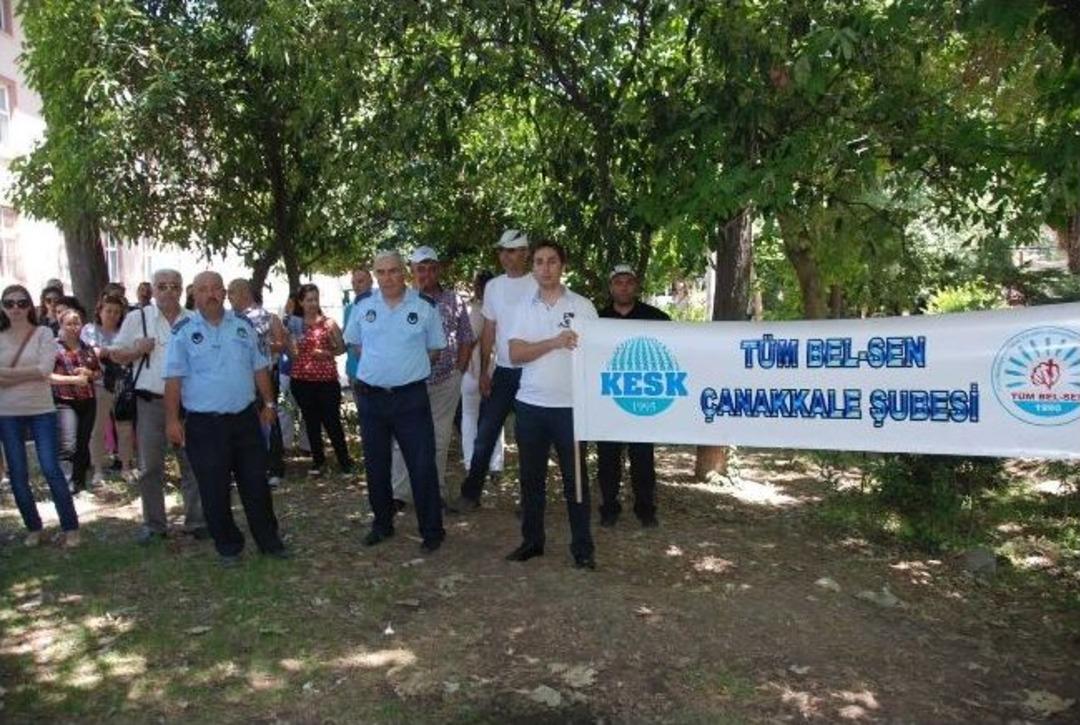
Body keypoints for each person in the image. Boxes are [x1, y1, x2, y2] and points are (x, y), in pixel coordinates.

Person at [164, 271, 288, 566]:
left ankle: (269, 541)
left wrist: (269, 402)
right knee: (213, 487)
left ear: (224, 293)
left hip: (244, 419)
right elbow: (173, 380)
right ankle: (228, 546)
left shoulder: (244, 327)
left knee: (255, 483)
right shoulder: (182, 331)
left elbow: (259, 367)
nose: (210, 295)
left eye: (215, 289)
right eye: (203, 290)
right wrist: (172, 420)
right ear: (194, 294)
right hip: (204, 424)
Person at [343, 250, 446, 552]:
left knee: (422, 465)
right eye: (381, 272)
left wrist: (405, 368)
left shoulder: (424, 307)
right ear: (375, 275)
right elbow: (357, 345)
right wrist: (383, 368)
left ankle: (432, 531)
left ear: (404, 272)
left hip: (410, 399)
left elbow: (435, 350)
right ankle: (382, 524)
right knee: (376, 465)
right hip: (372, 399)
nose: (387, 278)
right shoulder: (363, 306)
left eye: (393, 271)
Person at [505, 240, 597, 569]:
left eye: (552, 261)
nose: (545, 268)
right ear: (533, 267)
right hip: (530, 406)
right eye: (540, 262)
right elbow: (515, 355)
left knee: (576, 482)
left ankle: (582, 549)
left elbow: (598, 354)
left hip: (571, 408)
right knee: (531, 480)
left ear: (563, 266)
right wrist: (554, 343)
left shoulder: (584, 307)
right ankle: (532, 542)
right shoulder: (521, 308)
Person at [110, 269, 206, 544]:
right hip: (150, 402)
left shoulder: (194, 320)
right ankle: (154, 525)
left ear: (181, 290)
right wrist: (137, 350)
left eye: (174, 286)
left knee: (192, 463)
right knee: (150, 466)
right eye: (162, 286)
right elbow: (115, 354)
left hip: (188, 403)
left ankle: (197, 521)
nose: (168, 291)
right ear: (152, 289)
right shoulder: (137, 318)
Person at [453, 229, 536, 510]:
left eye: (511, 251)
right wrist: (486, 370)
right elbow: (489, 329)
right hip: (503, 370)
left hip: (535, 372)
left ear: (525, 253)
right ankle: (471, 492)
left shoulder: (539, 283)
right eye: (502, 251)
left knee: (529, 439)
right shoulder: (494, 287)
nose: (505, 256)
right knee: (485, 432)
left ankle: (529, 501)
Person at [390, 246, 473, 506]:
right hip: (408, 383)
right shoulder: (401, 299)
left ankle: (432, 491)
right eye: (420, 268)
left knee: (438, 438)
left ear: (438, 270)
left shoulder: (453, 300)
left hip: (445, 381)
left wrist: (459, 370)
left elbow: (466, 338)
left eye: (431, 268)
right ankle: (399, 493)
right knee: (402, 438)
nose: (426, 273)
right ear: (411, 271)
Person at [0, 284, 80, 547]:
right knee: (18, 474)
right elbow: (37, 371)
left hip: (41, 410)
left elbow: (45, 369)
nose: (16, 308)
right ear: (2, 307)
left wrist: (8, 376)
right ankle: (33, 527)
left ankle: (71, 528)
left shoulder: (44, 332)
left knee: (50, 468)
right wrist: (31, 372)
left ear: (30, 305)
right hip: (7, 413)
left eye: (21, 303)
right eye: (9, 303)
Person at [596, 264, 670, 527]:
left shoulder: (657, 318)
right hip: (609, 399)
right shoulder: (597, 321)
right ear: (611, 287)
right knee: (607, 458)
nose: (624, 286)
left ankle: (645, 509)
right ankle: (609, 508)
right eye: (618, 282)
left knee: (642, 458)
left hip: (643, 399)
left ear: (636, 286)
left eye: (628, 282)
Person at [286, 283, 354, 476]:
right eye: (308, 300)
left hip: (326, 380)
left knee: (332, 421)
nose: (313, 303)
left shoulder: (329, 323)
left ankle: (344, 461)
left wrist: (326, 352)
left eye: (315, 299)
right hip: (301, 380)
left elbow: (341, 348)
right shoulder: (294, 324)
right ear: (300, 302)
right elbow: (292, 354)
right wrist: (292, 344)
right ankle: (318, 462)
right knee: (311, 421)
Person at [227, 279, 288, 487]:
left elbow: (282, 344)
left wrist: (259, 345)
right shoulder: (229, 320)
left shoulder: (268, 317)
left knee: (269, 419)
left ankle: (274, 468)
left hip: (264, 376)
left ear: (244, 293)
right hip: (238, 379)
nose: (228, 298)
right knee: (241, 423)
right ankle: (243, 468)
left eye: (231, 294)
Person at [82, 294, 136, 486]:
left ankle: (126, 467)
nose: (112, 315)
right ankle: (97, 470)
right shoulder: (89, 329)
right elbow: (92, 353)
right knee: (97, 428)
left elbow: (132, 354)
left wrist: (109, 352)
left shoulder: (126, 331)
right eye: (109, 311)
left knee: (125, 427)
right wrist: (117, 353)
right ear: (100, 311)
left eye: (116, 312)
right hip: (100, 385)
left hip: (124, 384)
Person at [52, 308, 102, 494]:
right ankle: (64, 484)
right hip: (65, 401)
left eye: (77, 323)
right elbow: (46, 375)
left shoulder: (86, 347)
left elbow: (98, 373)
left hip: (88, 401)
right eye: (69, 323)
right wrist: (72, 379)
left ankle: (79, 483)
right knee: (68, 444)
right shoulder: (53, 348)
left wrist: (89, 373)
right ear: (61, 326)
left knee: (83, 442)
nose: (74, 327)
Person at [460, 271, 504, 481]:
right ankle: (494, 465)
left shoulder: (476, 311)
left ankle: (473, 463)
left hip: (476, 371)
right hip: (491, 370)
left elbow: (467, 343)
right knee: (493, 418)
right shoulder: (502, 310)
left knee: (471, 418)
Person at [343, 266, 373, 409]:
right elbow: (348, 340)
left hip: (376, 373)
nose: (356, 286)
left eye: (360, 281)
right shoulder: (349, 309)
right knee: (365, 418)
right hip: (355, 372)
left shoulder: (381, 306)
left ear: (371, 281)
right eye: (353, 283)